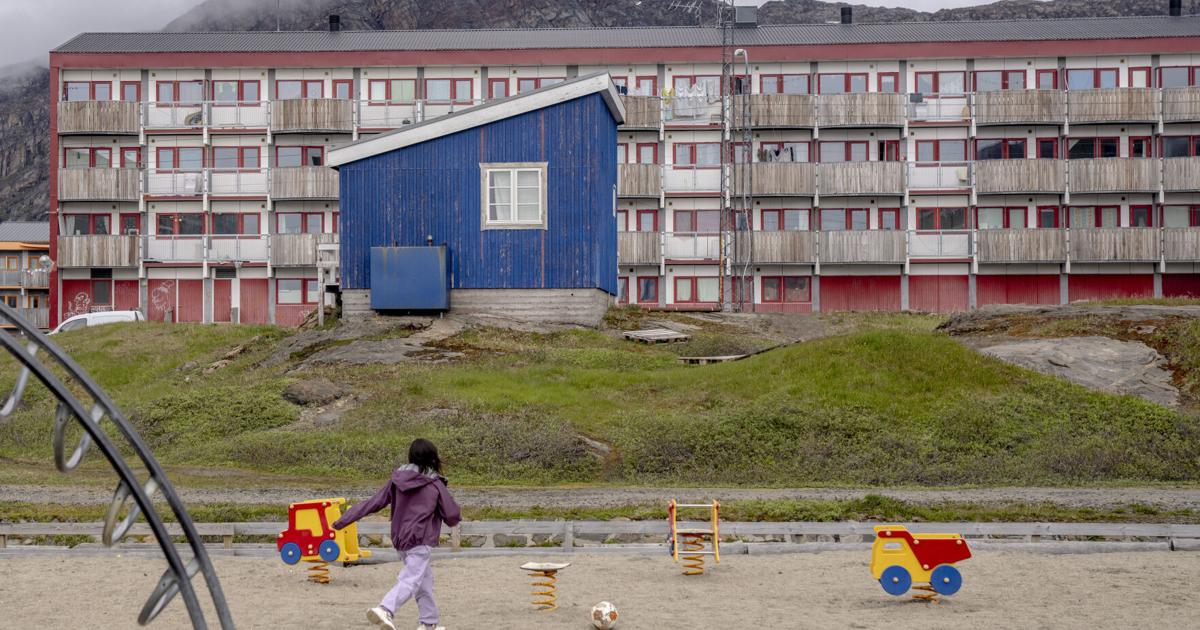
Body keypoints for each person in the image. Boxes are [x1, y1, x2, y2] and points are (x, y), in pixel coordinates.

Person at [334, 438, 461, 630]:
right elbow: (452, 515)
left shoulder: (397, 480)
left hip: (401, 541)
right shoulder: (435, 484)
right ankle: (386, 609)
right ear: (433, 459)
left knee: (423, 581)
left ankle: (429, 623)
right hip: (420, 539)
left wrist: (341, 521)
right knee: (411, 579)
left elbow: (372, 503)